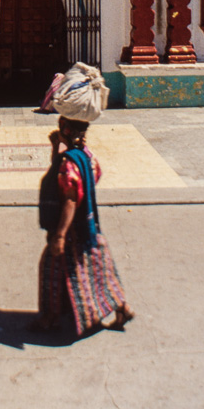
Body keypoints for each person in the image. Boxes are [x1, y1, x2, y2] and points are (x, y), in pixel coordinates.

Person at [35, 116, 134, 336]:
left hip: (71, 232)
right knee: (101, 272)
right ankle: (123, 308)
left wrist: (60, 235)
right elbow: (89, 176)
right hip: (90, 227)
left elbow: (70, 199)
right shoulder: (86, 157)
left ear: (65, 131)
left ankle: (50, 318)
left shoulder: (69, 163)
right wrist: (57, 148)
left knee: (51, 271)